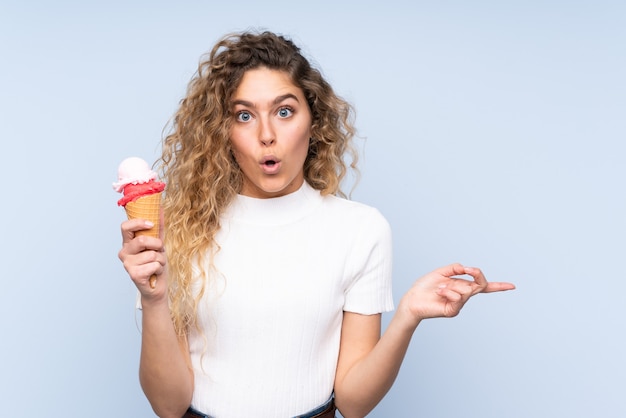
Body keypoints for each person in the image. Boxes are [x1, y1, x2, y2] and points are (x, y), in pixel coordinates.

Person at [118, 30, 515, 418]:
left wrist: (407, 316)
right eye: (244, 116)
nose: (267, 135)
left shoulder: (361, 231)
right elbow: (168, 406)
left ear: (315, 120)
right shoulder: (177, 229)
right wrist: (154, 300)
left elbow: (353, 404)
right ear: (222, 131)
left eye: (284, 111)